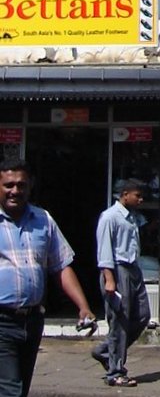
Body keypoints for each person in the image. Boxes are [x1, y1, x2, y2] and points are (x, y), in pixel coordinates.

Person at [0, 159, 95, 397]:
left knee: (20, 388)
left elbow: (61, 265)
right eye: (8, 185)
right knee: (10, 389)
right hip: (1, 321)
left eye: (21, 185)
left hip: (32, 321)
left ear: (30, 186)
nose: (15, 191)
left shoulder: (43, 219)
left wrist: (83, 306)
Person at [92, 178, 152, 388]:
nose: (140, 199)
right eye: (137, 195)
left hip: (133, 269)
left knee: (143, 315)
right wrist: (109, 279)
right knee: (119, 322)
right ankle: (116, 371)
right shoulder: (110, 217)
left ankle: (106, 350)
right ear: (125, 194)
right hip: (117, 270)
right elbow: (105, 249)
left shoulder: (132, 218)